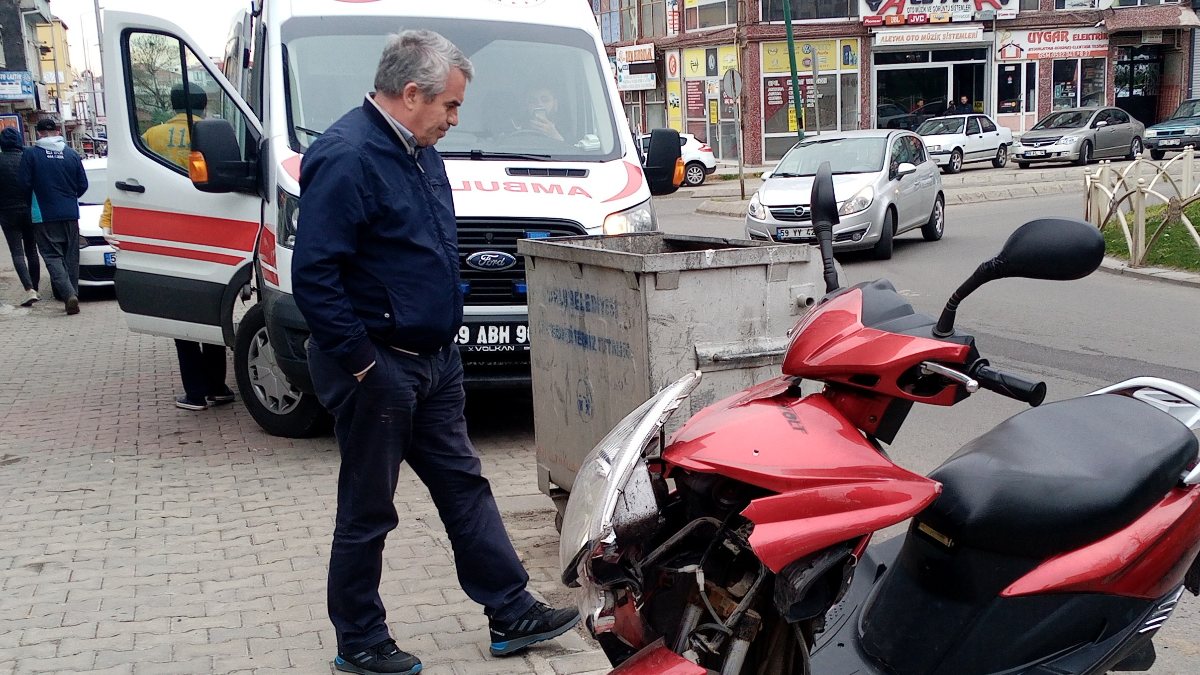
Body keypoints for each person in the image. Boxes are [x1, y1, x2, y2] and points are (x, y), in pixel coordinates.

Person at [292, 30, 580, 674]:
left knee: (464, 486)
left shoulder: (420, 150)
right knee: (369, 509)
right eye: (449, 107)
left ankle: (511, 611)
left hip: (435, 361)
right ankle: (360, 641)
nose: (454, 120)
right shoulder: (346, 155)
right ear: (412, 92)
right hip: (377, 368)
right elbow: (314, 276)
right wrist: (365, 363)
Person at [142, 85, 236, 411]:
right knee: (211, 311)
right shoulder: (220, 134)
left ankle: (195, 393)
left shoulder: (153, 136)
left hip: (170, 234)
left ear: (172, 104)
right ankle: (218, 386)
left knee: (181, 317)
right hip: (214, 233)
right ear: (204, 105)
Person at [19, 118, 87, 315]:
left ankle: (68, 294)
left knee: (52, 256)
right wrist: (68, 198)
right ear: (57, 131)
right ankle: (73, 293)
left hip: (43, 214)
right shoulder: (71, 154)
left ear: (38, 133)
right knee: (71, 256)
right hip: (70, 213)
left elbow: (24, 184)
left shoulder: (31, 154)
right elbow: (82, 185)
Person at [0, 127, 40, 306]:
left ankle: (28, 288)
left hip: (7, 213)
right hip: (30, 210)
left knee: (17, 252)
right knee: (32, 250)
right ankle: (36, 289)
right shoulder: (28, 157)